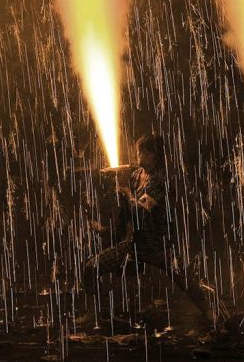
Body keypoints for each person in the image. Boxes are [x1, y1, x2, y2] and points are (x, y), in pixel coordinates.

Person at [81, 133, 212, 319]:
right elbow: (127, 214)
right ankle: (99, 313)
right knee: (91, 269)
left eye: (142, 151)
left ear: (153, 155)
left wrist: (126, 193)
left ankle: (210, 312)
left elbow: (142, 210)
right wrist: (107, 230)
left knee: (183, 279)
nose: (137, 154)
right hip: (135, 243)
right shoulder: (135, 176)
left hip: (158, 245)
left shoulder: (160, 180)